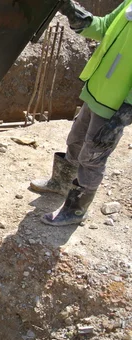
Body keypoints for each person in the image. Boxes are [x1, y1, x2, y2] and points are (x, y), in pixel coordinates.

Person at [31, 0, 132, 226]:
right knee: (75, 140)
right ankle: (61, 183)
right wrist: (74, 13)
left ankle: (76, 211)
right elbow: (104, 27)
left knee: (93, 157)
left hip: (116, 105)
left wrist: (123, 116)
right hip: (96, 90)